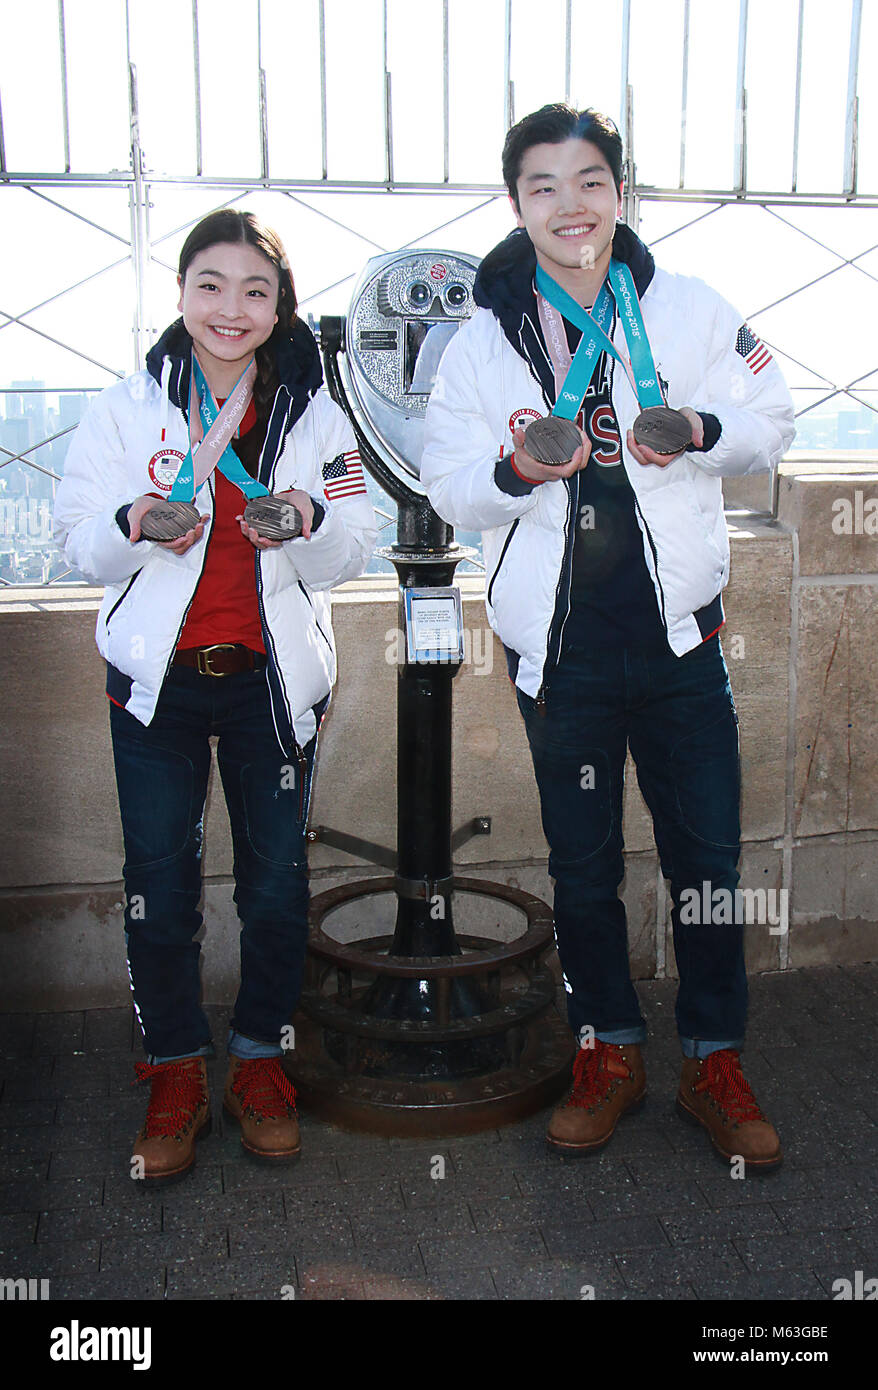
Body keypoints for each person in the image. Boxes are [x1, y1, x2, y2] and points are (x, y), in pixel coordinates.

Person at [421, 105, 795, 1170]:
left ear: (618, 195)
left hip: (681, 644)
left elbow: (775, 411)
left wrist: (701, 432)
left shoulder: (687, 309)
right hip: (563, 652)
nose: (569, 205)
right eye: (542, 186)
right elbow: (448, 482)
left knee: (707, 862)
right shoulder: (482, 340)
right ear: (516, 206)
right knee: (582, 870)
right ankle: (606, 1048)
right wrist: (512, 472)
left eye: (589, 181)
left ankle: (712, 1059)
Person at [54, 210, 377, 1181]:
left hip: (267, 690)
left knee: (275, 887)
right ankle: (173, 1069)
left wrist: (307, 521)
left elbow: (353, 543)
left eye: (254, 290)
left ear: (278, 306)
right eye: (210, 284)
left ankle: (258, 1059)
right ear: (181, 291)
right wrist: (137, 521)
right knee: (158, 893)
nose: (229, 308)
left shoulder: (314, 413)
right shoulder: (130, 404)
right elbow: (74, 538)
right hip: (156, 693)